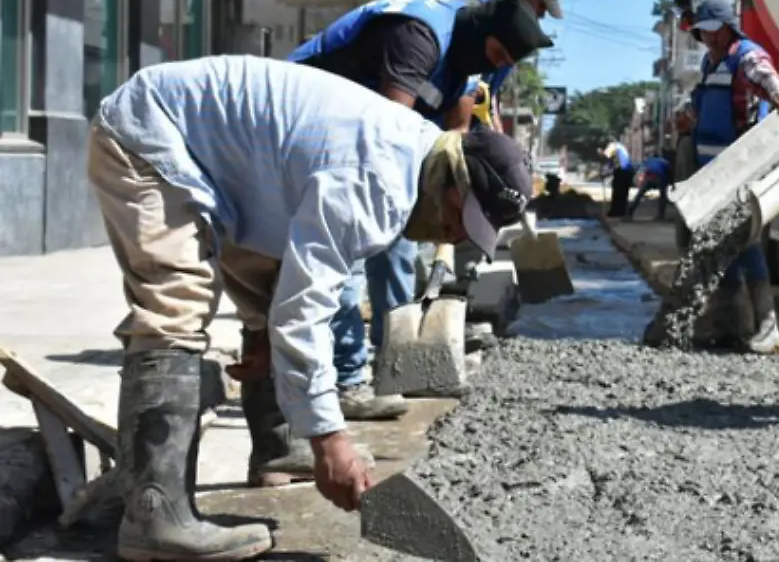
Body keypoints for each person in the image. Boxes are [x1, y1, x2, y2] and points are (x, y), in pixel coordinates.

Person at [88, 54, 533, 561]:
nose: (451, 235)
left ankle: (278, 447)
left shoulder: (413, 155)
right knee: (178, 302)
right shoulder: (376, 182)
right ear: (451, 176)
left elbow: (290, 287)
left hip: (223, 168)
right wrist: (329, 439)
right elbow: (304, 313)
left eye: (466, 232)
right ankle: (155, 515)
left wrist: (264, 335)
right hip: (151, 136)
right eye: (457, 217)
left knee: (272, 285)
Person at [222, 0, 549, 492]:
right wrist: (331, 441)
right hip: (297, 149)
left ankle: (281, 445)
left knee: (312, 284)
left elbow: (459, 133)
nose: (497, 67)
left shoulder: (467, 65)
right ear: (484, 33)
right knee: (326, 280)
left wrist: (446, 229)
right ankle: (344, 381)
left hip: (343, 164)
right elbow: (383, 140)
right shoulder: (418, 36)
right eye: (498, 56)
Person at [683, 0, 779, 354]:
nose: (709, 38)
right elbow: (701, 101)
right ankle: (731, 325)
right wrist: (687, 114)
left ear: (729, 29)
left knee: (745, 242)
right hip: (710, 172)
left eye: (714, 32)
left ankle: (767, 326)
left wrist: (777, 91)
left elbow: (764, 74)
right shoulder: (708, 62)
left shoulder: (744, 55)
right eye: (704, 33)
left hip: (739, 169)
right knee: (718, 247)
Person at [451, 0, 565, 131]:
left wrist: (497, 128)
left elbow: (490, 92)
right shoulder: (469, 9)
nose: (542, 15)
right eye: (542, 5)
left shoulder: (513, 36)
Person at [627, 153, 672, 220]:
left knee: (639, 194)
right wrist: (670, 183)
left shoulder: (648, 160)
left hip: (649, 178)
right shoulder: (664, 161)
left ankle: (629, 213)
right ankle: (661, 215)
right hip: (660, 178)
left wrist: (640, 181)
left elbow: (641, 169)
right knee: (663, 196)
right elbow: (669, 171)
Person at [600, 140, 635, 217]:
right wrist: (607, 171)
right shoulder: (620, 147)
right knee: (623, 193)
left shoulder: (612, 145)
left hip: (622, 171)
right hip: (629, 171)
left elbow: (606, 156)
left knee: (617, 192)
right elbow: (611, 162)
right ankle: (621, 212)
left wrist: (601, 154)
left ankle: (615, 212)